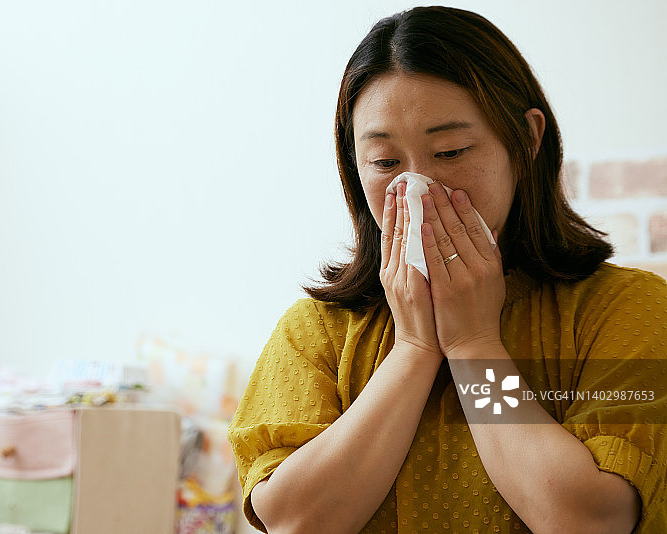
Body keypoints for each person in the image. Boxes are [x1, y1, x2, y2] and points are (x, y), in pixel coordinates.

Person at [227, 6, 667, 534]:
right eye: (386, 163)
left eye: (450, 151)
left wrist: (474, 345)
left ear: (526, 141)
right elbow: (296, 522)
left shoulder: (626, 309)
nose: (418, 188)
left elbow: (587, 520)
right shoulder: (315, 330)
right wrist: (414, 350)